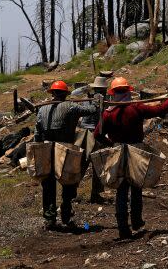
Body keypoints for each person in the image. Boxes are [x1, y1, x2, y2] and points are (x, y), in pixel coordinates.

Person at [94, 77, 168, 240]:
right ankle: (136, 222)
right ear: (128, 91)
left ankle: (123, 228)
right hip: (136, 151)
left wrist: (110, 143)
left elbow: (97, 134)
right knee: (136, 186)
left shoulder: (107, 114)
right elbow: (160, 110)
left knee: (121, 189)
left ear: (112, 93)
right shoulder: (136, 108)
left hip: (118, 151)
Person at [35, 80, 99, 230]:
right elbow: (91, 110)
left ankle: (50, 219)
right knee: (69, 182)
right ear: (65, 94)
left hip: (47, 150)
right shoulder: (71, 106)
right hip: (66, 150)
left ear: (52, 94)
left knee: (48, 185)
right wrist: (96, 101)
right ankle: (66, 214)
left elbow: (37, 134)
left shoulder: (42, 110)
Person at [77, 75, 110, 203]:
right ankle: (95, 194)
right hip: (95, 134)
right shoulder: (103, 100)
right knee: (98, 165)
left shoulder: (88, 98)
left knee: (82, 164)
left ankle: (72, 191)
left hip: (85, 134)